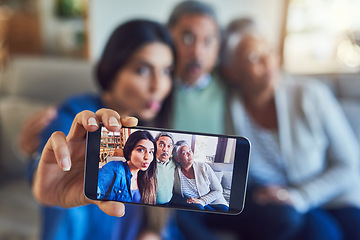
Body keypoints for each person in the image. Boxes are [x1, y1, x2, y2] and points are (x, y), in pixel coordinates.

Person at [206, 18, 360, 240]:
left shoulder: (310, 94)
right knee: (323, 233)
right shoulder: (226, 110)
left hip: (333, 198)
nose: (268, 61)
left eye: (269, 50)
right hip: (280, 209)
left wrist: (299, 196)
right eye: (253, 57)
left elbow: (348, 164)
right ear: (232, 72)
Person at [28, 19, 176, 240]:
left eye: (166, 71)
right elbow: (46, 172)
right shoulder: (74, 118)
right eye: (143, 70)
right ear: (112, 69)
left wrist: (155, 233)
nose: (158, 86)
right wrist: (34, 161)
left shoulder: (157, 128)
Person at [168, 0, 227, 134]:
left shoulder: (231, 88)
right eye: (187, 38)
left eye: (209, 41)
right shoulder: (153, 89)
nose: (197, 53)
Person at [98, 130, 157, 204]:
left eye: (151, 152)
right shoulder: (114, 168)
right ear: (129, 152)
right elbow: (96, 190)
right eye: (141, 150)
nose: (147, 157)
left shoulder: (148, 177)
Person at [170, 140, 228, 212]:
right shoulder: (174, 172)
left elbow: (218, 190)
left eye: (190, 151)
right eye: (184, 153)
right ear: (177, 158)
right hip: (194, 205)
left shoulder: (204, 167)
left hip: (214, 201)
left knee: (224, 210)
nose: (189, 154)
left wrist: (202, 201)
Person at [154, 132, 177, 204]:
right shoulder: (148, 163)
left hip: (170, 203)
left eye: (169, 146)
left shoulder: (174, 162)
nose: (165, 149)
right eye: (161, 145)